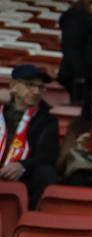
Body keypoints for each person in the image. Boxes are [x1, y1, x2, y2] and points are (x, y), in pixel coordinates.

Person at [1, 64, 61, 207]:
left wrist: (22, 166)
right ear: (14, 85)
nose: (35, 91)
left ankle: (33, 220)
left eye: (40, 87)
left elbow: (47, 155)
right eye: (29, 85)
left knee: (46, 173)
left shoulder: (47, 119)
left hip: (23, 173)